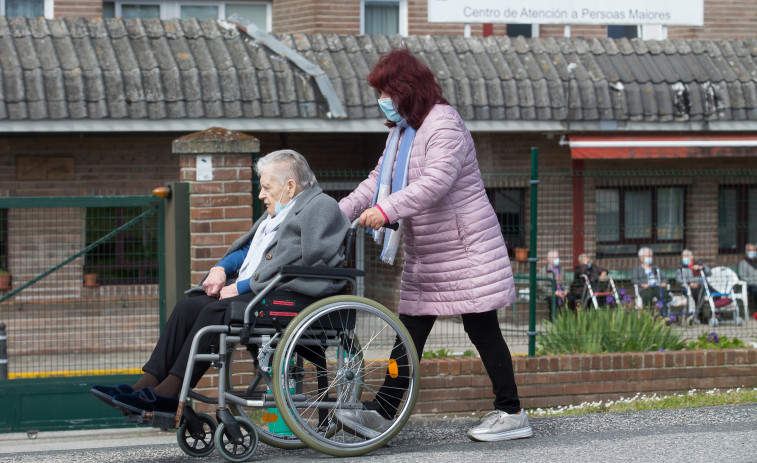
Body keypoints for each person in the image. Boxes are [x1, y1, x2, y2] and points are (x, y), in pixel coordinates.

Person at [334, 48, 532, 443]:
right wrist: (335, 215)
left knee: (483, 329)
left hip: (465, 248)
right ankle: (383, 411)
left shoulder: (444, 125)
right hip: (428, 252)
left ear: (406, 89)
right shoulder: (402, 131)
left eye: (386, 91)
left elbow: (435, 183)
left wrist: (385, 210)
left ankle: (512, 414)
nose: (382, 101)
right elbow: (376, 180)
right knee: (408, 333)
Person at [90, 150, 350, 414]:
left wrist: (243, 286)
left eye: (266, 187)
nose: (261, 195)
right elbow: (249, 250)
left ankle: (169, 394)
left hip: (292, 295)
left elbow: (306, 260)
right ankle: (147, 384)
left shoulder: (321, 205)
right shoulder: (279, 212)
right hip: (264, 291)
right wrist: (221, 269)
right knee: (187, 307)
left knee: (215, 311)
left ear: (290, 186)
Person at [675, 249, 711, 321]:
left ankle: (715, 314)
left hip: (701, 286)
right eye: (683, 256)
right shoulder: (681, 268)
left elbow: (709, 273)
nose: (685, 258)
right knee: (695, 294)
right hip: (689, 288)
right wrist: (689, 283)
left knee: (712, 293)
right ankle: (695, 316)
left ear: (691, 257)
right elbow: (679, 280)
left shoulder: (698, 264)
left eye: (687, 256)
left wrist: (702, 268)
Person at [737, 243, 757, 313]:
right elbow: (743, 277)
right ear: (746, 251)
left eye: (754, 250)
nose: (753, 252)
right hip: (751, 286)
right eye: (750, 250)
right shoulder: (743, 263)